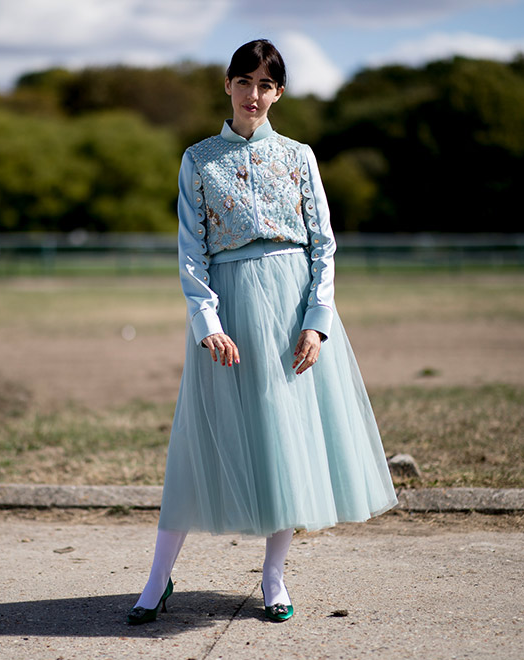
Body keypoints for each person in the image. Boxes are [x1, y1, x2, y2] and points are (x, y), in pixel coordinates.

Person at [128, 39, 397, 625]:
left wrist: (317, 324)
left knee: (285, 443)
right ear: (227, 85)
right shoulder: (197, 159)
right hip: (227, 317)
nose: (254, 94)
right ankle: (155, 579)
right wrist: (207, 323)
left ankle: (273, 578)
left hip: (291, 312)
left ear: (279, 93)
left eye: (265, 85)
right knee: (199, 441)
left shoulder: (300, 156)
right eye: (244, 81)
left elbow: (322, 244)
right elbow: (191, 253)